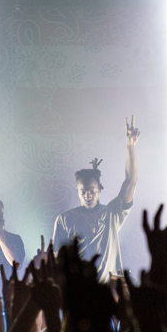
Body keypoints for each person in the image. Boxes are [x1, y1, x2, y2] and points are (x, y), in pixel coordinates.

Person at [51, 116, 140, 283]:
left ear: (100, 189)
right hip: (78, 289)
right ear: (77, 191)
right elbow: (57, 257)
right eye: (83, 191)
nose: (88, 195)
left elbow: (131, 181)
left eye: (92, 191)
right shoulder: (64, 219)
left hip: (107, 289)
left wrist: (130, 147)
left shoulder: (112, 213)